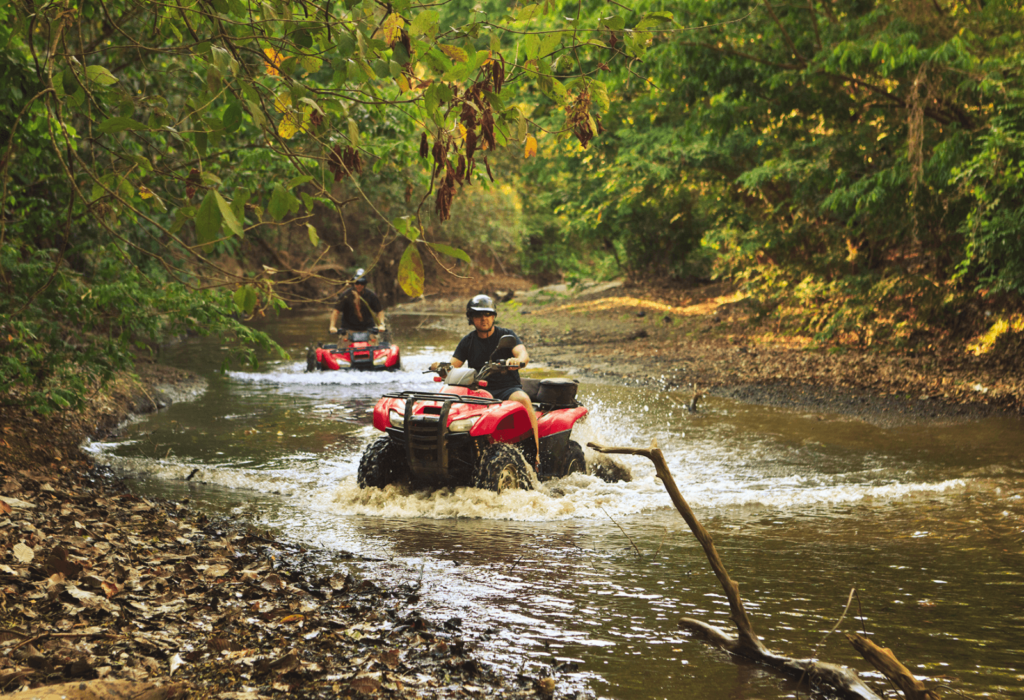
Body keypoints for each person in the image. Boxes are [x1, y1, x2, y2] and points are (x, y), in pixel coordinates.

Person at [442, 294, 540, 465]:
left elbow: (523, 354)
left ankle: (536, 456)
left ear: (494, 316)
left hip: (507, 389)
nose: (484, 319)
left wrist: (518, 361)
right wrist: (442, 368)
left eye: (487, 314)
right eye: (478, 315)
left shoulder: (506, 335)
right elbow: (452, 366)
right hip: (480, 391)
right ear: (471, 318)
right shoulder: (468, 341)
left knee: (523, 399)